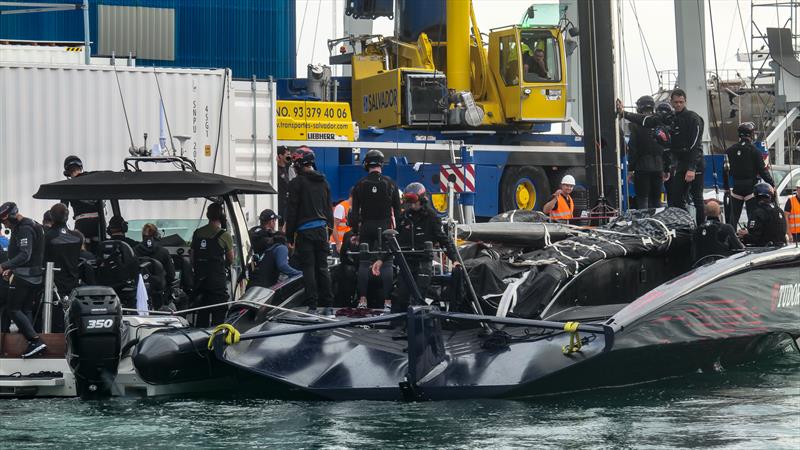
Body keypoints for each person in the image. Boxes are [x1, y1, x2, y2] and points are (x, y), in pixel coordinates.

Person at [618, 90, 705, 223]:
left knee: (697, 197)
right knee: (675, 199)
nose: (678, 105)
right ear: (671, 102)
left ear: (685, 101)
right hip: (679, 164)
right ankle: (687, 224)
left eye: (681, 102)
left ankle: (701, 227)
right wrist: (624, 114)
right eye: (675, 102)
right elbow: (646, 121)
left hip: (695, 163)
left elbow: (696, 145)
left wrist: (692, 168)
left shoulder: (693, 118)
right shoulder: (669, 118)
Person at [394, 183, 460, 311]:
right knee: (401, 294)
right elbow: (395, 240)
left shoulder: (431, 217)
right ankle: (401, 322)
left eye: (414, 202)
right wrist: (380, 260)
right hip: (406, 260)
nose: (412, 205)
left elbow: (444, 240)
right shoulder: (404, 217)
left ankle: (419, 322)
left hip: (423, 260)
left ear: (422, 200)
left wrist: (454, 259)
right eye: (409, 202)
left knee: (419, 294)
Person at [285, 147, 335, 316]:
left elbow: (292, 211)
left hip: (304, 232)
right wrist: (329, 231)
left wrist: (289, 236)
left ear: (299, 163)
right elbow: (329, 210)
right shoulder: (324, 182)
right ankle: (328, 306)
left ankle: (312, 307)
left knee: (309, 269)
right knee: (323, 268)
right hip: (322, 230)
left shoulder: (296, 183)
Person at [350, 149, 402, 312]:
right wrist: (398, 231)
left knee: (364, 264)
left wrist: (355, 232)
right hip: (385, 227)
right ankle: (387, 302)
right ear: (381, 164)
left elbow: (354, 213)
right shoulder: (390, 183)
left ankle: (363, 300)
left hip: (367, 226)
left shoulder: (359, 184)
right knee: (386, 263)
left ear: (367, 164)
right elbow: (398, 212)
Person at [0, 202, 47, 358]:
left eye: (5, 220)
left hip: (25, 277)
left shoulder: (25, 228)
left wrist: (4, 266)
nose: (4, 224)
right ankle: (32, 344)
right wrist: (11, 268)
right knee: (25, 309)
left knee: (13, 309)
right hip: (33, 275)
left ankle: (35, 341)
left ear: (12, 216)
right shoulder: (30, 225)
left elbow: (25, 254)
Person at [190, 203, 234, 327]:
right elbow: (231, 259)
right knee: (219, 314)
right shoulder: (224, 235)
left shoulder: (197, 233)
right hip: (217, 282)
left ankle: (198, 341)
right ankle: (216, 342)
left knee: (202, 313)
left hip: (200, 281)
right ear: (221, 216)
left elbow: (192, 258)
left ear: (207, 215)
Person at [723, 122, 774, 227]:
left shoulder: (729, 151)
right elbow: (762, 171)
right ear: (751, 134)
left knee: (733, 219)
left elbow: (725, 171)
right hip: (751, 188)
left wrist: (726, 187)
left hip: (736, 187)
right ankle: (751, 237)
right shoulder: (755, 151)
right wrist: (772, 183)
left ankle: (730, 238)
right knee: (753, 217)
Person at [43, 203, 84, 332]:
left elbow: (43, 259)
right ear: (67, 217)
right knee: (71, 316)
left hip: (53, 283)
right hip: (72, 281)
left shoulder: (47, 236)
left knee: (55, 318)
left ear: (52, 217)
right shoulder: (77, 237)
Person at [627, 95, 668, 209]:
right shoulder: (660, 124)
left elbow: (633, 149)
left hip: (642, 167)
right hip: (659, 167)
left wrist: (631, 169)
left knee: (643, 199)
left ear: (639, 108)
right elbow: (666, 147)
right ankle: (658, 223)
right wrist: (666, 168)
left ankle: (644, 224)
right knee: (657, 200)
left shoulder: (636, 126)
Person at [248, 209, 301, 289]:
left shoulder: (255, 233)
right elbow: (283, 266)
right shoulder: (278, 245)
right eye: (275, 220)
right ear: (271, 221)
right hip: (264, 283)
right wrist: (301, 274)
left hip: (254, 278)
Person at [61, 155, 103, 252]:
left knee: (83, 251)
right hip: (98, 222)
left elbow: (63, 209)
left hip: (82, 222)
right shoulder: (95, 178)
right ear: (81, 167)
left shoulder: (66, 186)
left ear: (67, 172)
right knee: (99, 249)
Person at [134, 224, 177, 309]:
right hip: (160, 295)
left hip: (138, 294)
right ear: (157, 236)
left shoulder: (133, 251)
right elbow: (171, 275)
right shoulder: (164, 252)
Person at [693, 199, 743, 264]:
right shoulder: (726, 228)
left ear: (705, 212)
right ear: (719, 212)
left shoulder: (697, 230)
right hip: (721, 266)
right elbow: (739, 249)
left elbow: (694, 252)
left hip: (700, 267)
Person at [276, 146, 295, 227]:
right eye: (287, 154)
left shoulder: (289, 168)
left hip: (287, 205)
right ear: (280, 156)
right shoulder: (276, 170)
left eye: (290, 154)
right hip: (279, 205)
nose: (289, 156)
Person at [331, 189, 353, 254]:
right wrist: (338, 244)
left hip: (350, 242)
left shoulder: (357, 207)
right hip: (339, 243)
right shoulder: (341, 207)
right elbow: (333, 226)